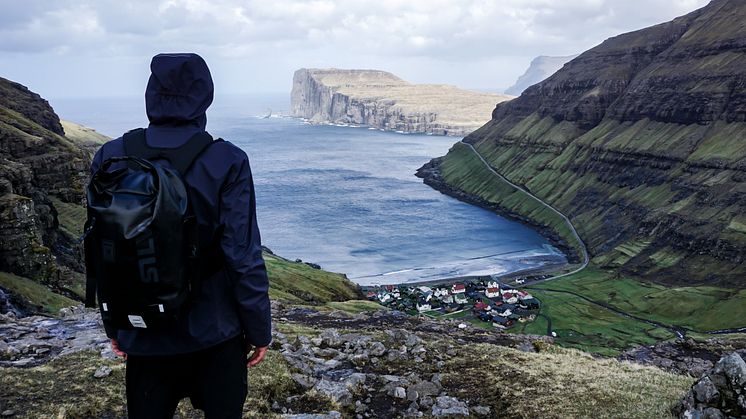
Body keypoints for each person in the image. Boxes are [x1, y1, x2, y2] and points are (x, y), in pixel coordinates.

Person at [90, 53, 271, 418]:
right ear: (205, 95)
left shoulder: (111, 155)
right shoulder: (227, 160)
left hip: (145, 335)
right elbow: (242, 255)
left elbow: (102, 249)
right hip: (214, 334)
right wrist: (259, 329)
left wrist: (116, 325)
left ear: (150, 93)